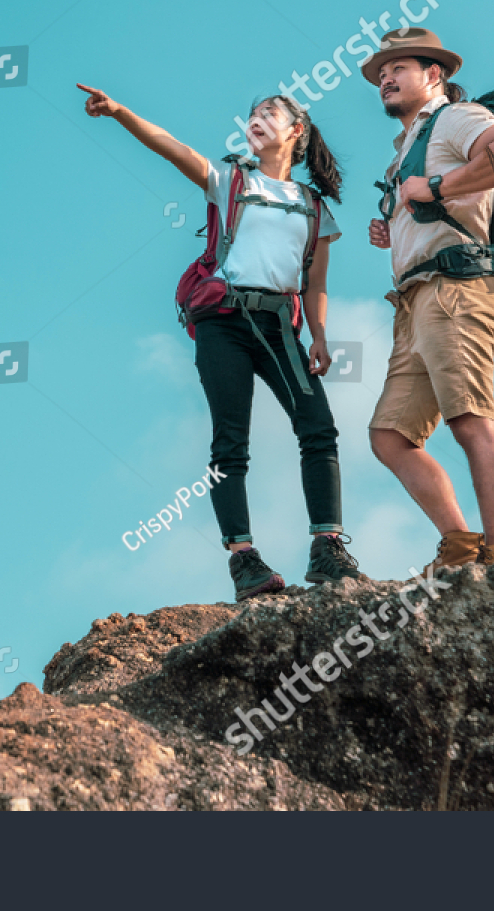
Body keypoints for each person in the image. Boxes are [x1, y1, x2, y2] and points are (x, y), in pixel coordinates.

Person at [78, 82, 367, 601]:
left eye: (269, 113)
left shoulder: (312, 205)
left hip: (279, 326)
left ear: (295, 132)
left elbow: (315, 282)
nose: (256, 118)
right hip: (222, 323)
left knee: (318, 428)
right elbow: (169, 146)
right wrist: (120, 111)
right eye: (252, 113)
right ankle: (244, 560)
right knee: (229, 442)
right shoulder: (229, 179)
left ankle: (327, 547)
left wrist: (319, 335)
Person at [360, 28, 494, 574]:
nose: (386, 78)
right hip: (416, 301)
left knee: (471, 419)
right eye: (381, 73)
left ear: (433, 75)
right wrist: (398, 226)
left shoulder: (455, 118)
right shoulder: (408, 143)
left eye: (399, 69)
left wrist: (433, 190)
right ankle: (460, 545)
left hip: (456, 289)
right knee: (390, 436)